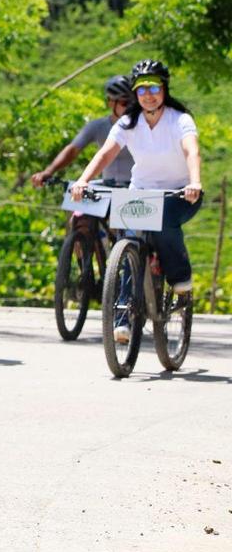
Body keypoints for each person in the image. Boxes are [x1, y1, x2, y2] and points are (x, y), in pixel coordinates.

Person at [71, 59, 203, 342]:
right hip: (140, 193)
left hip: (178, 194)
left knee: (166, 221)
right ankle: (122, 320)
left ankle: (180, 279)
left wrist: (195, 182)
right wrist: (83, 180)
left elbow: (192, 151)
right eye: (141, 89)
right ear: (135, 93)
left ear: (164, 89)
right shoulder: (129, 122)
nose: (148, 94)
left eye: (154, 87)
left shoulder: (180, 120)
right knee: (127, 246)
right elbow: (105, 153)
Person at [31, 75, 135, 189]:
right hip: (107, 188)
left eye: (132, 103)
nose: (129, 107)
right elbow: (72, 150)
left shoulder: (141, 126)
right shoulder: (98, 126)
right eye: (124, 103)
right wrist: (49, 171)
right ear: (110, 102)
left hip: (135, 189)